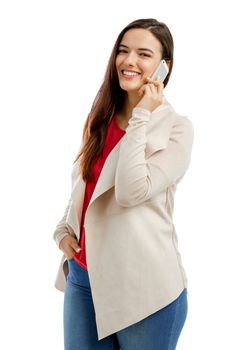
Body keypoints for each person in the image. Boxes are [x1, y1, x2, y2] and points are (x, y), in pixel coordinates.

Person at [53, 18, 194, 350]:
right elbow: (85, 187)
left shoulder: (177, 129)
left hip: (144, 291)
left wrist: (142, 115)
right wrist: (63, 229)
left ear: (163, 66)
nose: (129, 61)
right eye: (123, 51)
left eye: (144, 54)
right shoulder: (100, 118)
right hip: (84, 279)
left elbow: (133, 192)